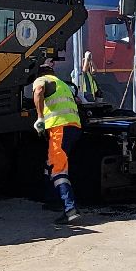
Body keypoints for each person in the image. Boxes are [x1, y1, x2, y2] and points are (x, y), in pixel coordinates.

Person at [29, 62, 82, 225]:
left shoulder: (41, 80)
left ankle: (70, 210)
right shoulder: (63, 84)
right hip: (73, 128)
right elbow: (78, 101)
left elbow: (38, 92)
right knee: (51, 164)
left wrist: (39, 117)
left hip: (60, 129)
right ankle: (53, 201)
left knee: (58, 169)